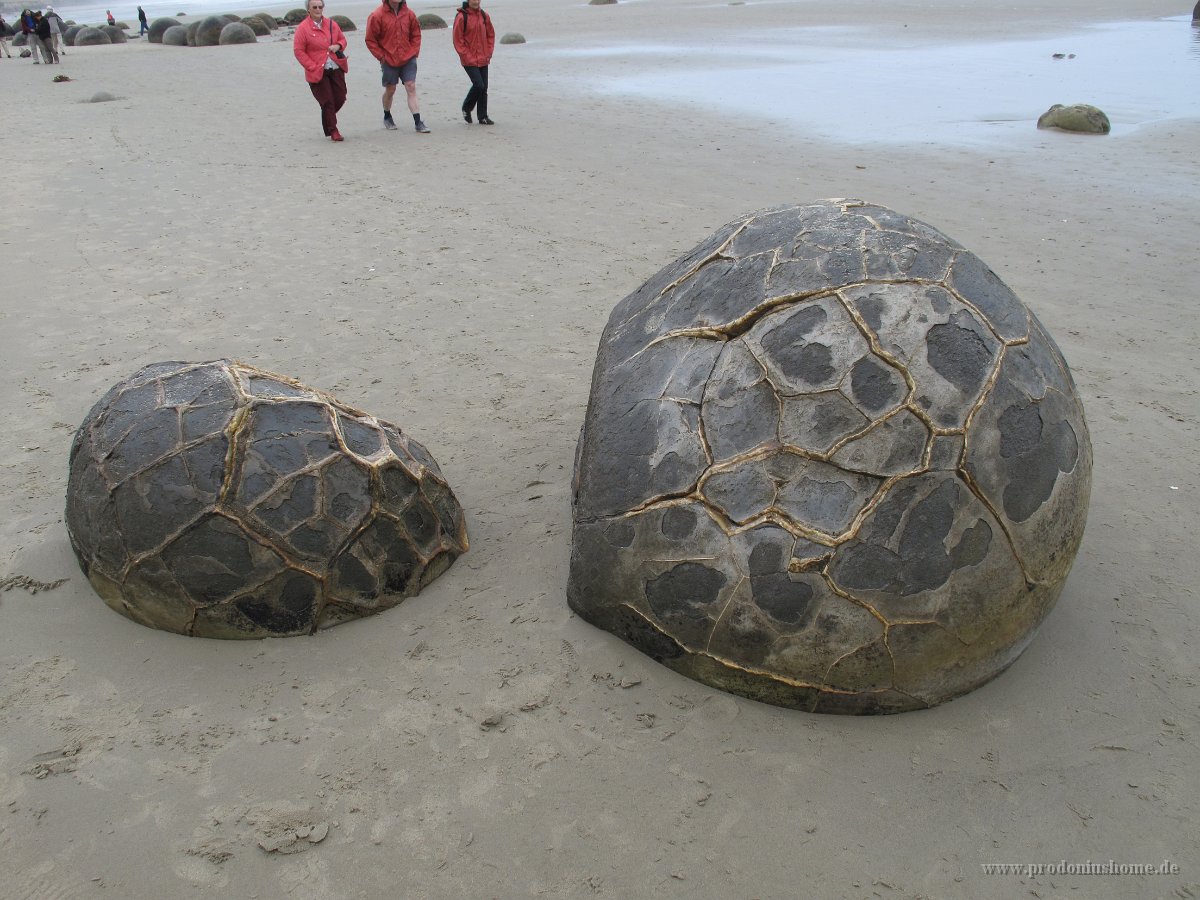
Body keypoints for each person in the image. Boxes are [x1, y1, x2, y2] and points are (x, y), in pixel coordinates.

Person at [365, 0, 428, 133]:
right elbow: (370, 40)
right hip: (389, 60)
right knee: (391, 89)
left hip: (408, 57)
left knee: (411, 86)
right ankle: (387, 115)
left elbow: (416, 34)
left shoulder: (409, 14)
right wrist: (382, 57)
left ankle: (418, 122)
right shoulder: (377, 15)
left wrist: (414, 51)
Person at [293, 0, 349, 142]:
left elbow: (343, 40)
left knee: (340, 97)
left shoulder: (331, 24)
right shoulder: (303, 28)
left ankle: (328, 116)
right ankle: (333, 130)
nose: (318, 9)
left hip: (335, 67)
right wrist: (312, 66)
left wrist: (338, 45)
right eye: (315, 7)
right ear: (309, 10)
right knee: (327, 101)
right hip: (317, 71)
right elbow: (299, 51)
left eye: (320, 6)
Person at [452, 0, 495, 125]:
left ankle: (483, 116)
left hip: (483, 57)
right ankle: (466, 107)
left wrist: (488, 52)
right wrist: (466, 56)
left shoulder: (484, 15)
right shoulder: (461, 17)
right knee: (479, 85)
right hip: (468, 59)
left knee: (484, 88)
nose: (476, 1)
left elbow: (490, 35)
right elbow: (457, 40)